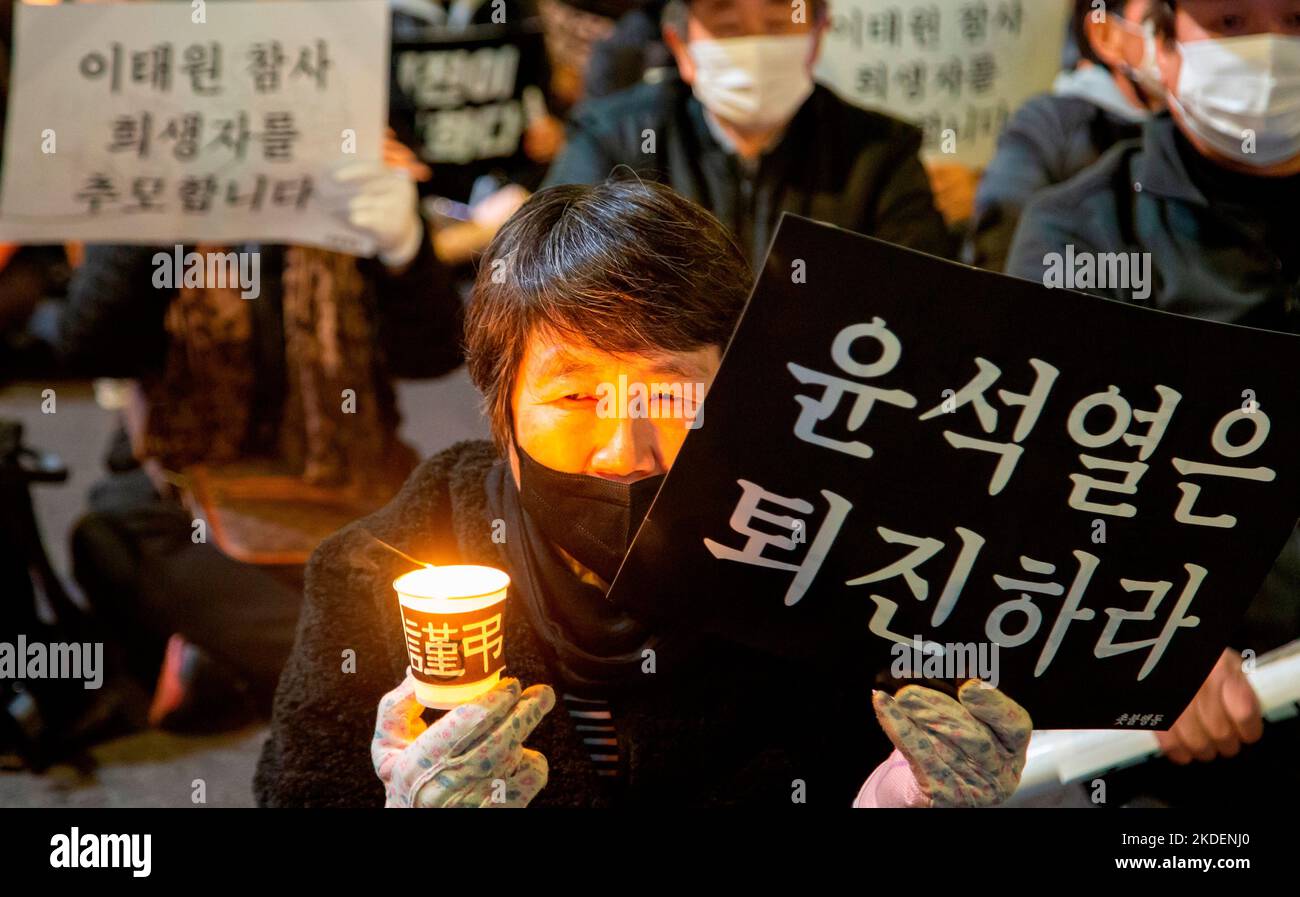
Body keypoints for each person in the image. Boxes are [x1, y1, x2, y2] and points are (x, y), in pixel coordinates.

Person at [255, 179, 1031, 808]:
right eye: (577, 398)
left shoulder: (823, 567)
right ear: (502, 411)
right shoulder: (369, 581)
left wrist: (901, 798)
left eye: (668, 395)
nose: (626, 449)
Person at [49, 137, 464, 730]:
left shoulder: (350, 158)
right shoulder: (153, 164)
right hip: (186, 495)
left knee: (451, 531)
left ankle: (253, 667)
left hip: (351, 484)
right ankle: (374, 674)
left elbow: (433, 354)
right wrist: (163, 217)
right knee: (111, 542)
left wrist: (404, 246)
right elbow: (88, 345)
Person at [1006, 0, 1300, 801]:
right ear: (1160, 45)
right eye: (1232, 21)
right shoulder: (1080, 233)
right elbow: (1039, 501)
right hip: (1172, 747)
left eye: (1295, 19)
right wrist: (1153, 645)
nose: (1273, 50)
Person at [539, 0, 952, 265]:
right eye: (730, 27)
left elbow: (920, 302)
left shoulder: (880, 152)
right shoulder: (613, 139)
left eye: (776, 24)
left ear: (816, 37)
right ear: (681, 46)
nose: (755, 47)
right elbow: (553, 272)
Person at [968, 0, 1164, 272]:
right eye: (1161, 21)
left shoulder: (1215, 132)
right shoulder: (1049, 125)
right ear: (1106, 34)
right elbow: (997, 252)